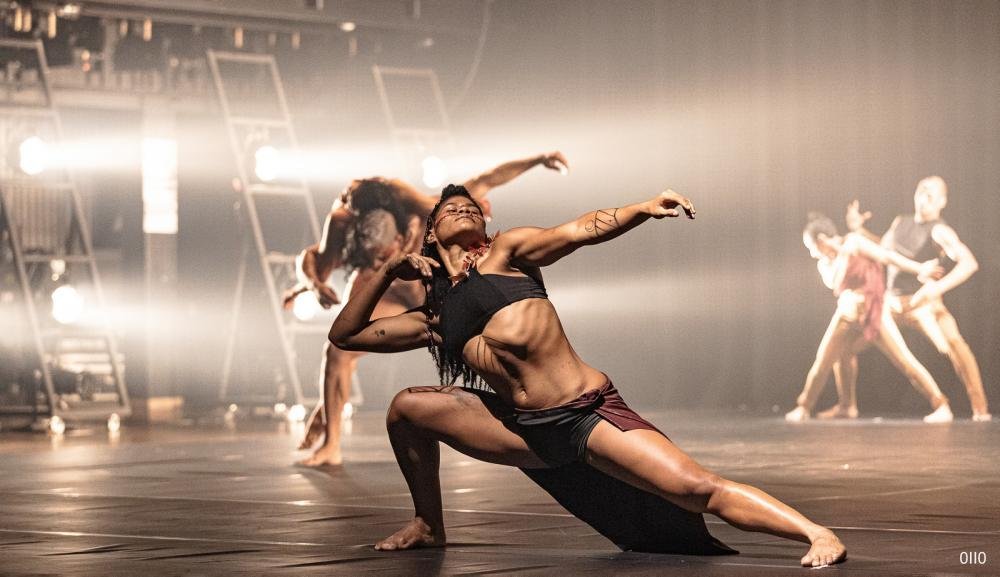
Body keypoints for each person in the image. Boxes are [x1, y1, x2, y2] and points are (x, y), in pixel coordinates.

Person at [327, 185, 847, 567]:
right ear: (432, 230)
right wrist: (386, 272)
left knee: (696, 489)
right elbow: (346, 335)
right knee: (406, 408)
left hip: (584, 415)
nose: (462, 209)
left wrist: (641, 210)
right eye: (449, 209)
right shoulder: (437, 316)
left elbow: (576, 230)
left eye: (470, 207)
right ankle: (428, 523)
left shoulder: (508, 253)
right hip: (520, 427)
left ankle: (814, 532)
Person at [283, 152, 570, 466]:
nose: (382, 252)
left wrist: (537, 160)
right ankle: (331, 444)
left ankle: (544, 404)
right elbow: (311, 259)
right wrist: (311, 284)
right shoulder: (343, 221)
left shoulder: (426, 210)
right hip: (388, 288)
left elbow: (485, 180)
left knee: (491, 341)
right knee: (337, 352)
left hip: (432, 285)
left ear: (406, 231)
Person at [784, 213, 951, 422]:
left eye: (811, 247)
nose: (812, 253)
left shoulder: (854, 241)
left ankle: (941, 405)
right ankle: (816, 407)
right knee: (825, 359)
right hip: (847, 313)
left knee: (904, 360)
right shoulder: (825, 264)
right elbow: (834, 283)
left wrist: (919, 268)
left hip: (873, 310)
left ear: (821, 241)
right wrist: (842, 255)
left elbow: (888, 257)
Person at [849, 177, 991, 421]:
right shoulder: (900, 223)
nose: (924, 200)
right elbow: (883, 250)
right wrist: (858, 230)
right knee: (846, 343)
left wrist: (936, 289)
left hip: (922, 305)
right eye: (921, 193)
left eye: (931, 196)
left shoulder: (939, 230)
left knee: (954, 346)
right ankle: (846, 405)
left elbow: (969, 263)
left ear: (942, 201)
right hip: (891, 305)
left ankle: (980, 410)